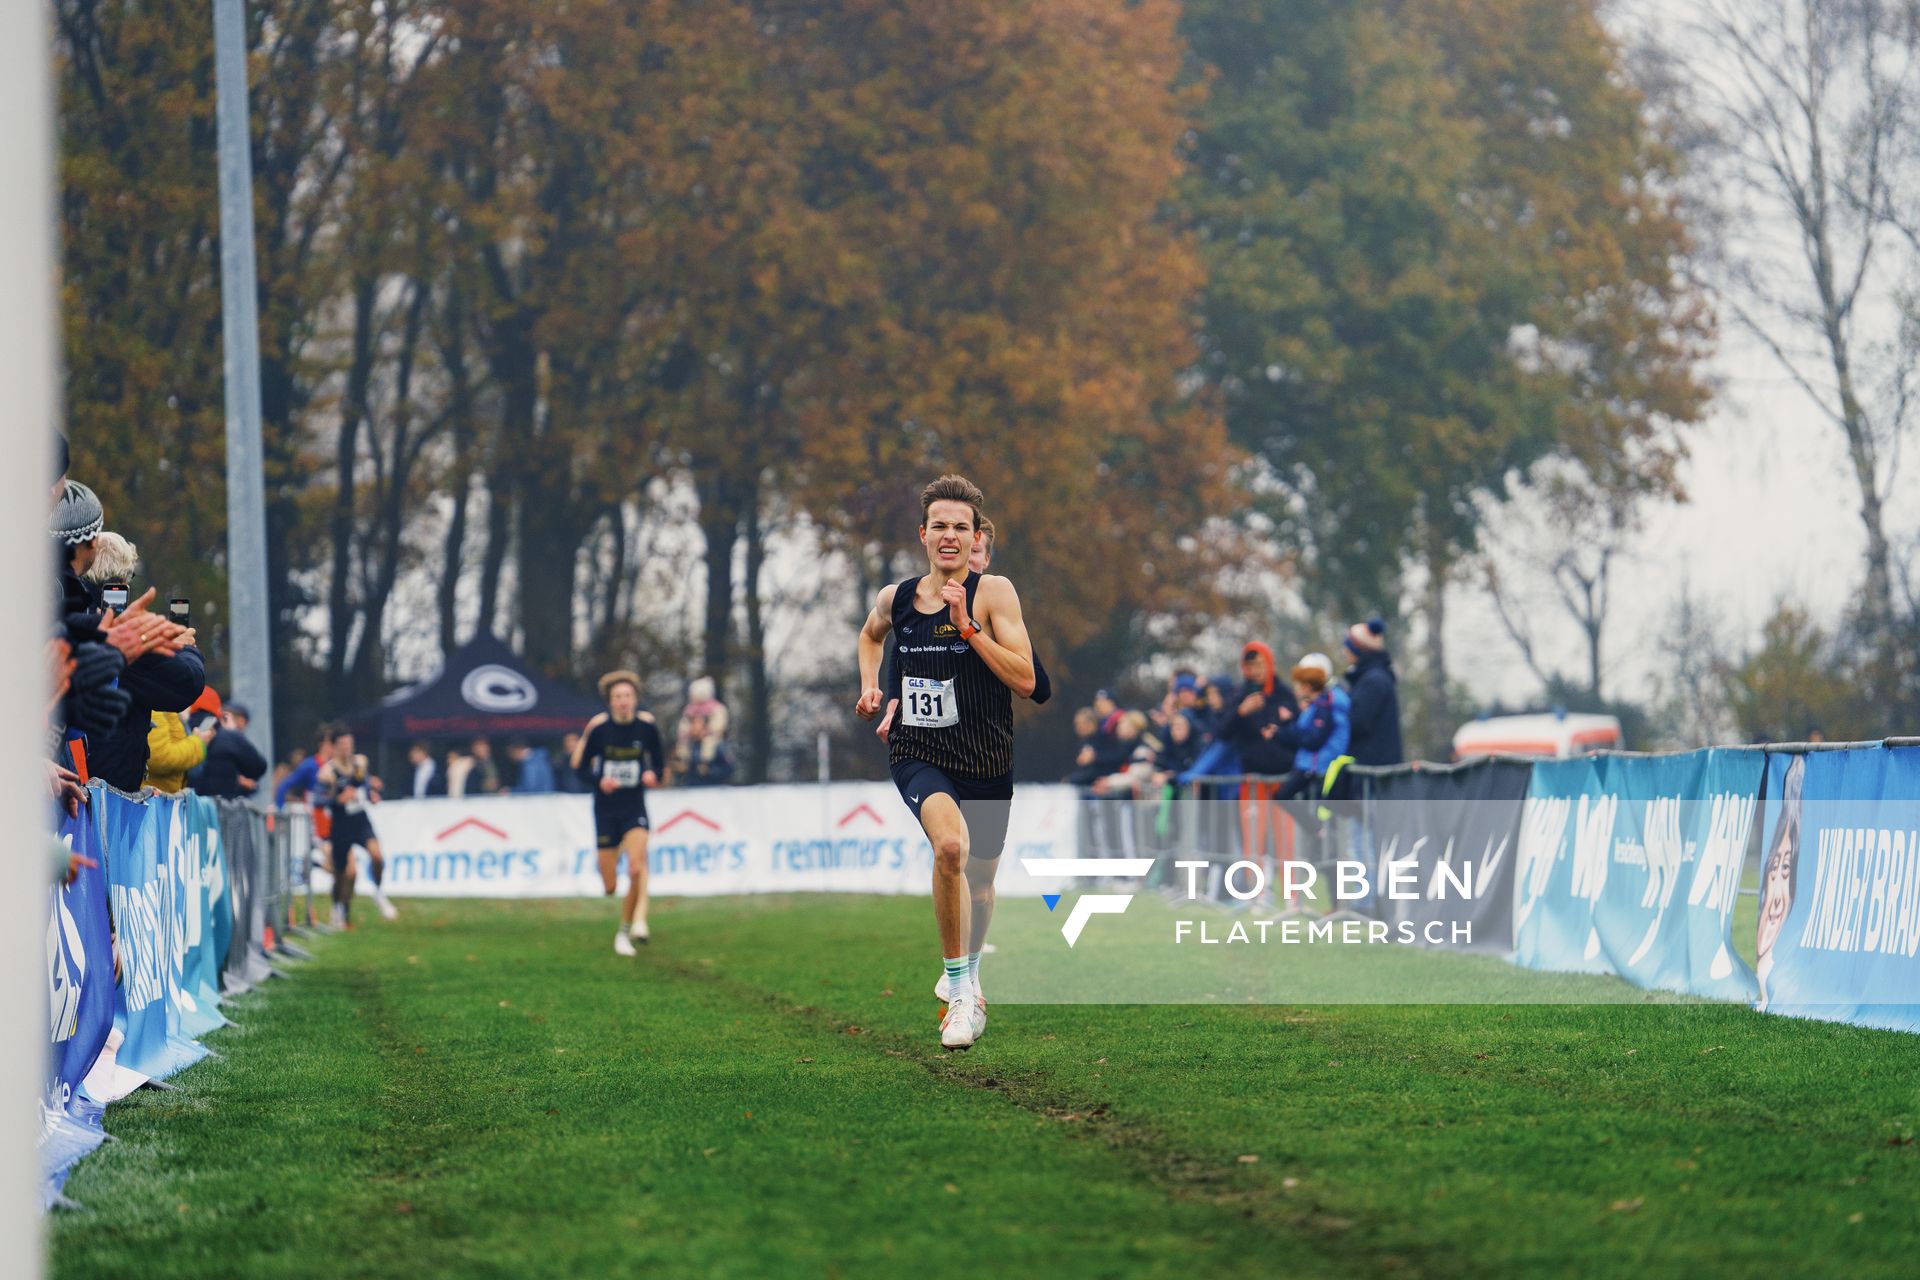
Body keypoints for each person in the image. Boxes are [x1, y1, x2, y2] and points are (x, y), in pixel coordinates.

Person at [855, 475, 1036, 1050]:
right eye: (941, 526)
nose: (951, 536)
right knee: (949, 848)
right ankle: (960, 997)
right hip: (919, 750)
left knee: (981, 884)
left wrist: (967, 627)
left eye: (962, 526)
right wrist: (871, 687)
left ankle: (969, 970)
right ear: (924, 535)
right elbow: (869, 635)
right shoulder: (898, 598)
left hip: (986, 757)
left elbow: (1027, 680)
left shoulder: (994, 593)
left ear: (976, 535)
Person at [877, 514, 1050, 745]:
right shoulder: (920, 600)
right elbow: (900, 647)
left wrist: (975, 634)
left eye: (975, 552)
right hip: (926, 743)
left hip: (978, 742)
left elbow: (1039, 688)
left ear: (986, 559)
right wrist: (893, 705)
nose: (966, 559)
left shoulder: (996, 606)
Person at [573, 671, 666, 954]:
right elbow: (580, 768)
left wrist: (653, 774)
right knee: (610, 886)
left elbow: (659, 764)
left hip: (634, 806)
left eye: (627, 696)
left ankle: (624, 932)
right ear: (610, 702)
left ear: (635, 699)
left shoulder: (647, 729)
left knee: (636, 868)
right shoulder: (600, 731)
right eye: (617, 697)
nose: (623, 702)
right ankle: (608, 876)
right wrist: (599, 781)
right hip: (605, 809)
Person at [316, 730, 396, 925]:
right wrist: (337, 799)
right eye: (342, 744)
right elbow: (319, 800)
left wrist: (374, 793)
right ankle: (340, 908)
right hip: (341, 826)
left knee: (377, 856)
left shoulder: (360, 763)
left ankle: (378, 892)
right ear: (334, 746)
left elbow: (365, 784)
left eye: (349, 744)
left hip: (360, 821)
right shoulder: (327, 773)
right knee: (345, 874)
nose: (347, 748)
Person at [1343, 617, 1404, 766]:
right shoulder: (1373, 678)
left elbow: (1358, 722)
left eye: (1347, 646)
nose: (1344, 651)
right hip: (1372, 766)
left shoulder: (1373, 681)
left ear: (1357, 649)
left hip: (1372, 769)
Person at [192, 700, 269, 801]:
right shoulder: (230, 736)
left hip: (192, 804)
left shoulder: (189, 730)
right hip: (222, 806)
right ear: (241, 720)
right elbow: (259, 767)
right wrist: (234, 732)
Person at [144, 710, 208, 794]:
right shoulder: (156, 708)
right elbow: (161, 758)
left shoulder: (167, 707)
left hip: (162, 796)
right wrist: (198, 743)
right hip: (153, 798)